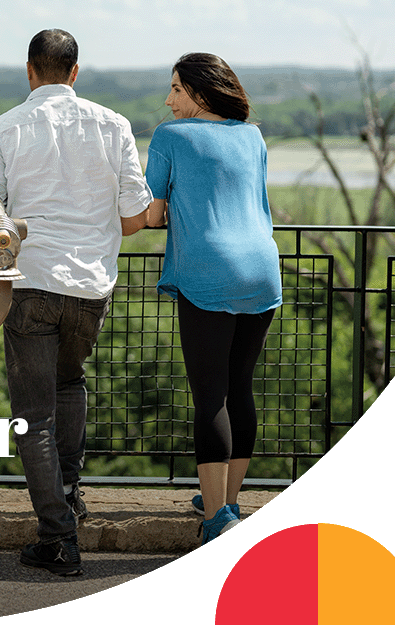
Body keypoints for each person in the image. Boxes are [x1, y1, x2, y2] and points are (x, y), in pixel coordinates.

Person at [0, 29, 152, 576]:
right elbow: (133, 215)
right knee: (70, 384)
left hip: (30, 279)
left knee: (33, 413)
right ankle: (69, 496)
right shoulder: (115, 124)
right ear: (75, 72)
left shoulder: (4, 127)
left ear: (30, 70)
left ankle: (58, 536)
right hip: (91, 285)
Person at [143, 52, 282, 545]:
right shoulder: (253, 136)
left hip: (209, 271)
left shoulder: (170, 136)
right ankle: (225, 498)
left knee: (210, 396)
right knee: (240, 386)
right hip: (262, 269)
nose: (169, 99)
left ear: (200, 93)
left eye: (177, 89)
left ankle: (217, 518)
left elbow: (152, 215)